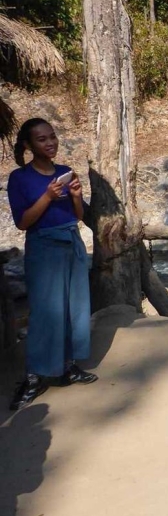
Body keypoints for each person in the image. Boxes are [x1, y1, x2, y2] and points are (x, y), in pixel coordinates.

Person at [6, 118, 97, 411]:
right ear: (29, 145)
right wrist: (47, 196)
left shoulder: (63, 173)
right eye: (42, 139)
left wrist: (75, 197)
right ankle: (34, 376)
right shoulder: (20, 178)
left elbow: (80, 215)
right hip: (44, 247)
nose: (50, 143)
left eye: (53, 136)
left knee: (75, 308)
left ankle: (68, 365)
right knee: (45, 313)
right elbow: (23, 223)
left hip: (72, 242)